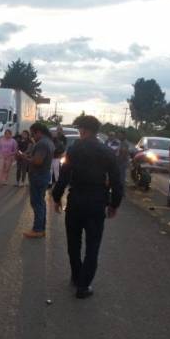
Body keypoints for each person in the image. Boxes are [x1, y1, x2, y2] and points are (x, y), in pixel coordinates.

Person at [52, 115, 123, 299]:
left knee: (73, 243)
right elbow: (117, 181)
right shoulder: (107, 152)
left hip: (76, 201)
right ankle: (83, 286)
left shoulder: (74, 150)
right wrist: (114, 204)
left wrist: (56, 197)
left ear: (83, 130)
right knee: (93, 245)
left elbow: (63, 176)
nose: (79, 132)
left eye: (80, 129)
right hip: (97, 203)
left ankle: (77, 276)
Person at [18, 123, 55, 238]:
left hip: (38, 175)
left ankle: (38, 229)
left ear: (38, 132)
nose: (32, 136)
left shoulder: (42, 143)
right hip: (43, 175)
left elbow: (38, 161)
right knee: (40, 202)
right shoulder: (49, 141)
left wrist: (24, 157)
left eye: (33, 134)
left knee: (37, 203)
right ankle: (41, 228)